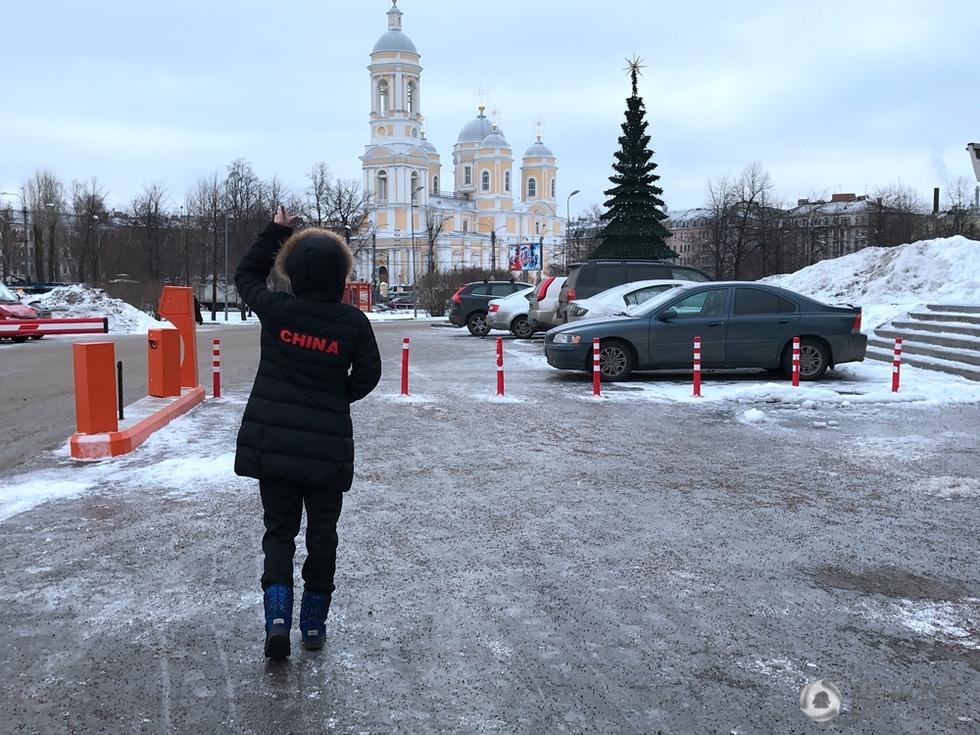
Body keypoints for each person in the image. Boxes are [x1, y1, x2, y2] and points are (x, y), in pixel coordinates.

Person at [234, 205, 382, 659]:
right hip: (325, 450)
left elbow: (246, 275)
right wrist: (336, 396)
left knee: (278, 532)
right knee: (322, 534)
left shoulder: (277, 310)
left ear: (293, 275)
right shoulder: (352, 323)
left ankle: (276, 618)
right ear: (341, 277)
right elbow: (369, 375)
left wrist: (278, 230)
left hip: (274, 444)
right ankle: (313, 624)